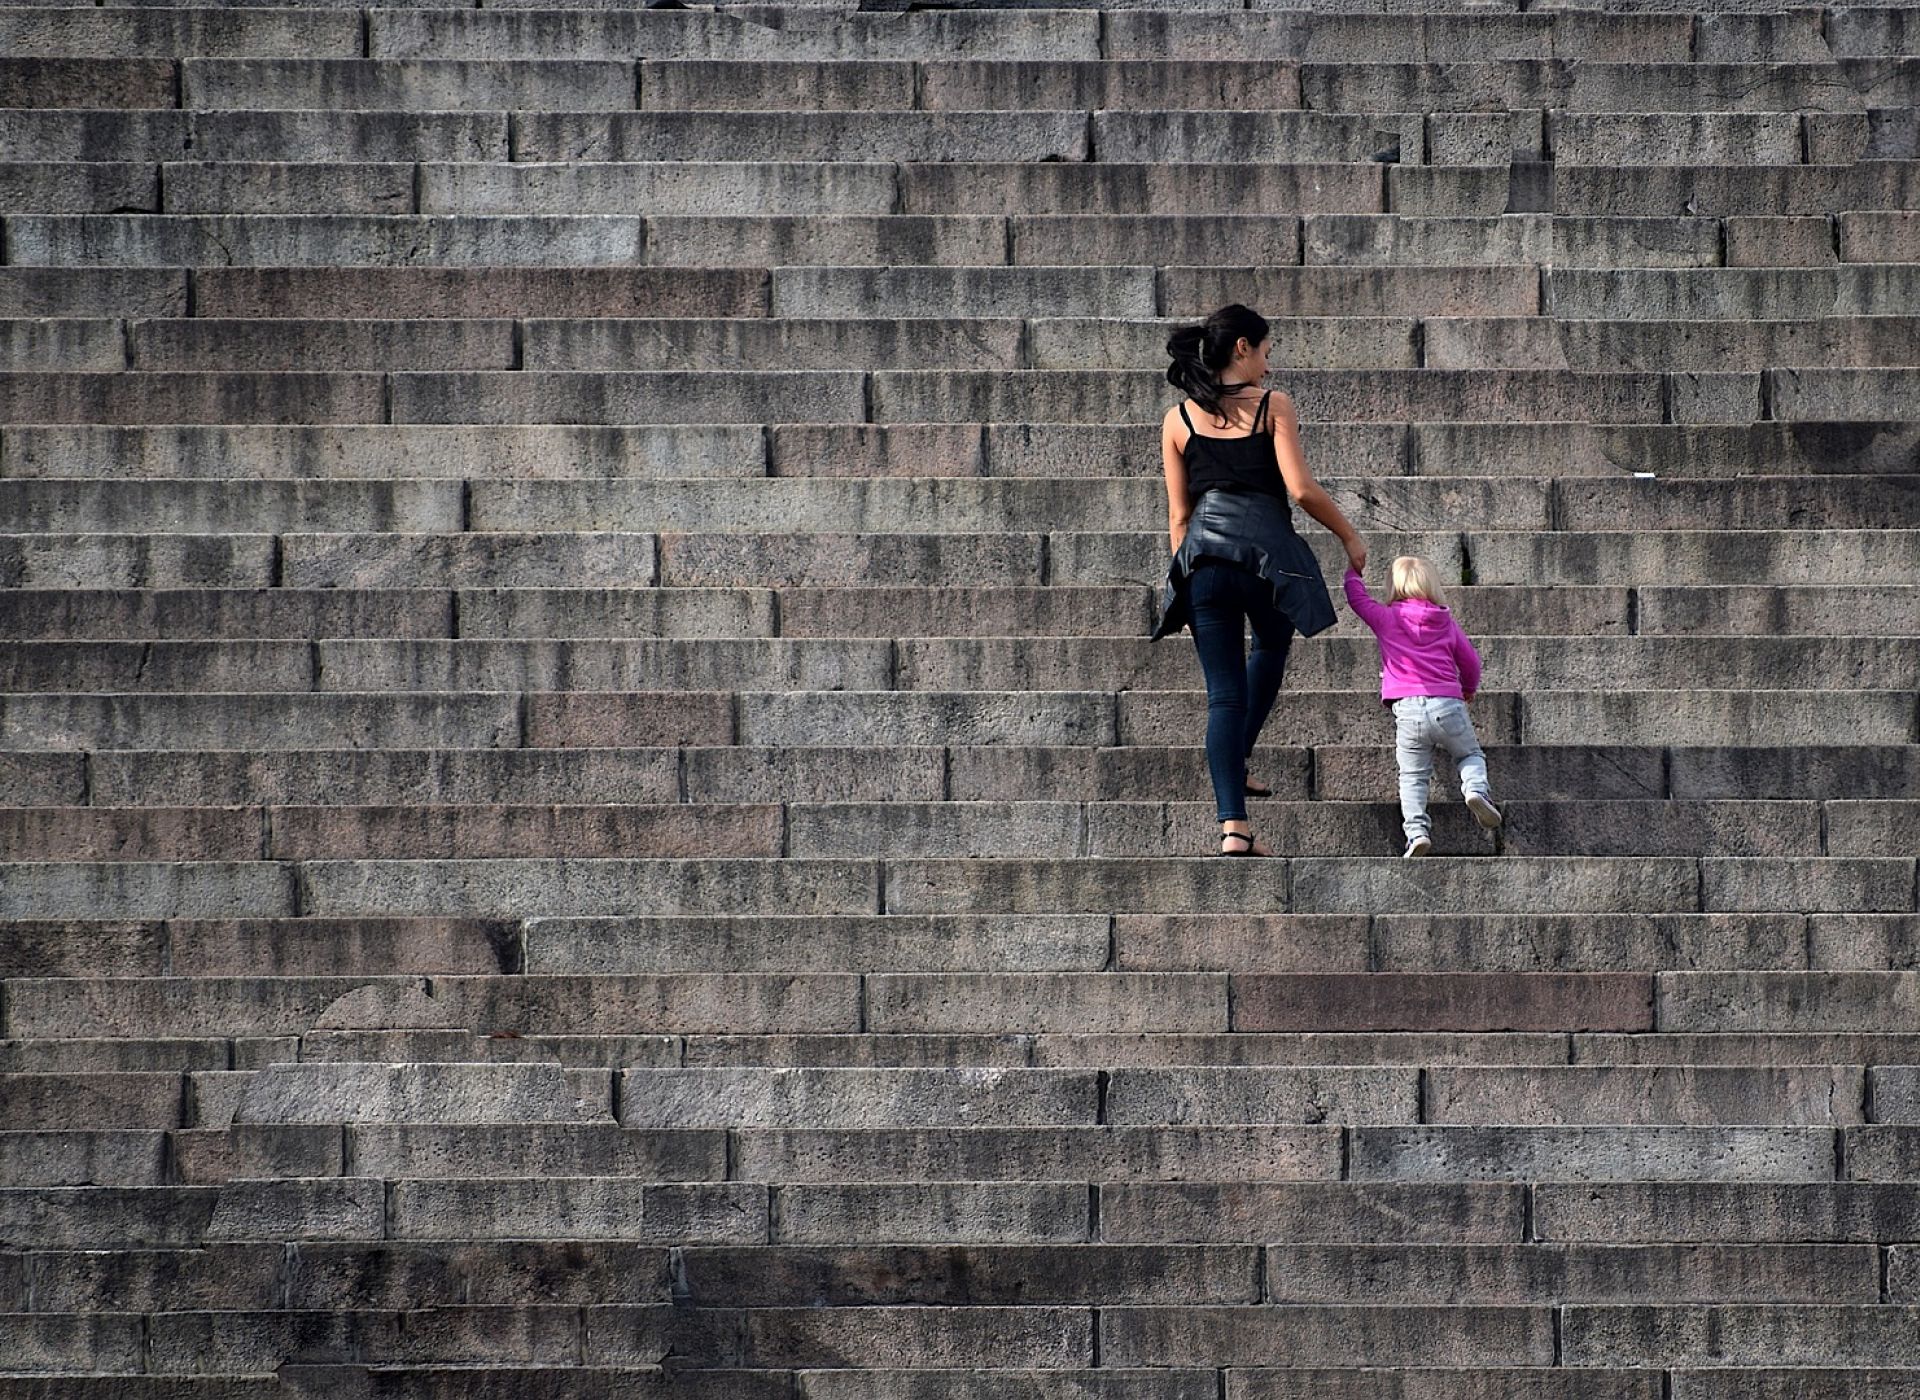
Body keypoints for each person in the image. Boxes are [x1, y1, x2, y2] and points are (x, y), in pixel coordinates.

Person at [1152, 303, 1367, 857]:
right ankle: (1239, 757)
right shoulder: (1274, 406)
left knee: (1223, 698)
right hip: (1266, 561)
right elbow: (1300, 490)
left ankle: (1234, 828)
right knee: (1271, 644)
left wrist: (1186, 578)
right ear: (1243, 348)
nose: (1269, 368)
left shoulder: (1177, 420)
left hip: (1202, 565)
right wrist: (1349, 536)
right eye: (1266, 353)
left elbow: (1179, 516)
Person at [1344, 555, 1503, 858]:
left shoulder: (1385, 617)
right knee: (1469, 754)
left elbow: (1357, 599)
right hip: (1449, 705)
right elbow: (1470, 662)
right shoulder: (1445, 621)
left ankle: (1416, 832)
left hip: (1407, 711)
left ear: (1394, 586)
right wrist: (1468, 689)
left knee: (1413, 776)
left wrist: (1354, 569)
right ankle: (1474, 790)